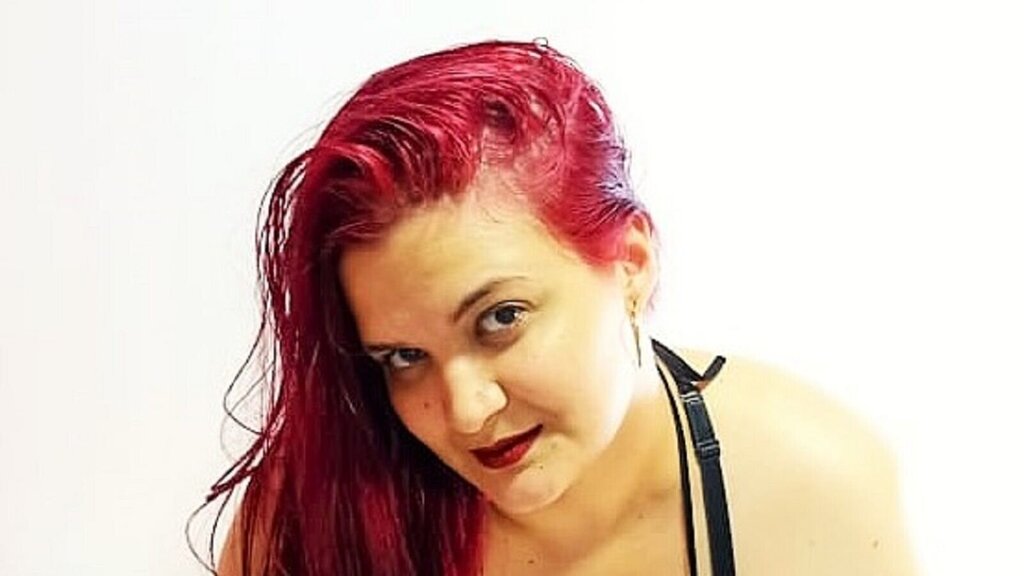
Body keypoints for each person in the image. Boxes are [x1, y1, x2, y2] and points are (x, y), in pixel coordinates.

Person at [202, 40, 916, 575]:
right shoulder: (317, 513)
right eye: (404, 356)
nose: (466, 412)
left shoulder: (808, 488)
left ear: (631, 264)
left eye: (500, 319)